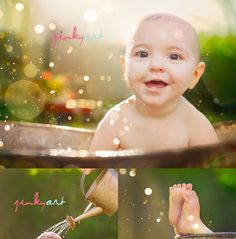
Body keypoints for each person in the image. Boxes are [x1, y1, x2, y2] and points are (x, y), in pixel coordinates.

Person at [89, 13, 219, 152]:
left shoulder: (196, 125)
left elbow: (215, 167)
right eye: (142, 54)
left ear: (194, 75)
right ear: (124, 69)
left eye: (174, 56)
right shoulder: (116, 120)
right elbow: (91, 164)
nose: (156, 65)